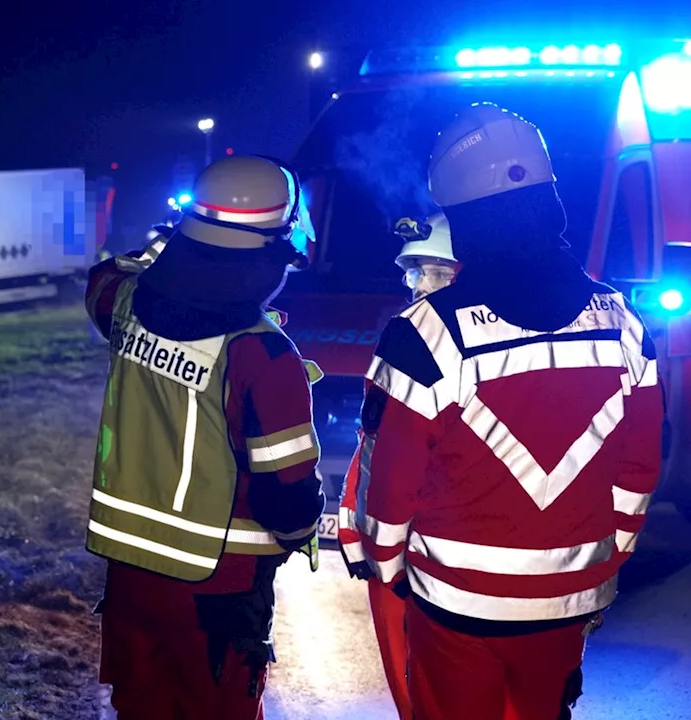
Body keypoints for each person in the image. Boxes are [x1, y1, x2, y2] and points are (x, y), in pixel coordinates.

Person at [354, 103, 665, 720]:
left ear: (462, 218)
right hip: (572, 598)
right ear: (550, 199)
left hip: (457, 603)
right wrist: (610, 553)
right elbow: (641, 462)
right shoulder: (624, 321)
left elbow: (391, 481)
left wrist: (385, 564)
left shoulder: (424, 332)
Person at [84, 154, 326, 720]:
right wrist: (301, 532)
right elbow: (288, 497)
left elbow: (108, 273)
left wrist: (173, 243)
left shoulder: (124, 307)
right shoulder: (263, 353)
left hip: (130, 579)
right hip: (222, 590)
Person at [337, 211, 458, 720]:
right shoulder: (407, 333)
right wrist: (351, 525)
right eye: (411, 271)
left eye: (430, 271)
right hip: (398, 548)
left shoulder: (431, 337)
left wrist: (382, 548)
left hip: (427, 552)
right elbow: (373, 444)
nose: (416, 284)